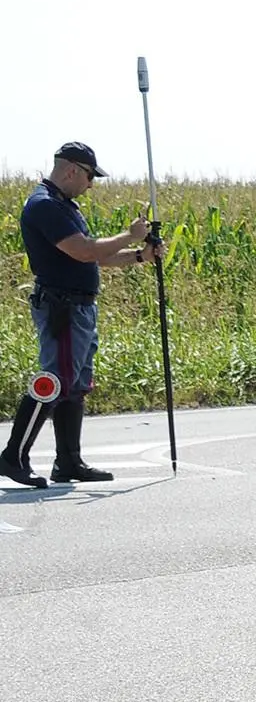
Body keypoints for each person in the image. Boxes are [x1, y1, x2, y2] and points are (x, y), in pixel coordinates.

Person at [1, 142, 158, 488]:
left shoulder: (65, 206)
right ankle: (13, 456)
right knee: (54, 381)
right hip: (63, 306)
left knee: (74, 384)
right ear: (72, 169)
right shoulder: (45, 206)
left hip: (79, 306)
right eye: (89, 176)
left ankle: (68, 461)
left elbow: (96, 256)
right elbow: (85, 251)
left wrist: (139, 255)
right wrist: (129, 235)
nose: (91, 184)